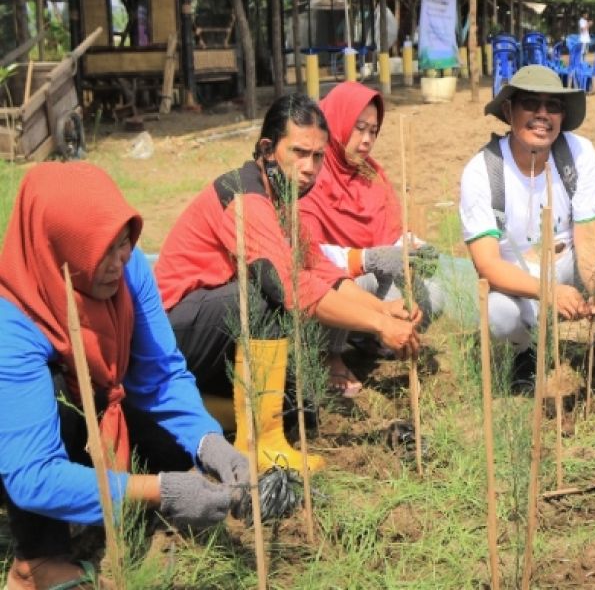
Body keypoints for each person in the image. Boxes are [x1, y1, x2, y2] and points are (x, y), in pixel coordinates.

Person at [0, 164, 249, 590]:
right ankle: (35, 562)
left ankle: (100, 493)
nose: (122, 260)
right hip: (20, 449)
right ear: (63, 249)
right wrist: (163, 492)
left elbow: (163, 373)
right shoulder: (11, 323)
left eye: (125, 243)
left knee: (178, 448)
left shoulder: (127, 266)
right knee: (60, 394)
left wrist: (211, 443)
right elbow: (32, 475)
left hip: (96, 408)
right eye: (105, 251)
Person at [155, 93, 422, 471]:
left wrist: (384, 308)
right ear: (267, 149)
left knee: (303, 403)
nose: (310, 166)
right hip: (172, 338)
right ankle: (260, 444)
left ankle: (198, 414)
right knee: (268, 294)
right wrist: (379, 325)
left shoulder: (281, 202)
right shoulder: (245, 197)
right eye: (299, 152)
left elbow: (320, 271)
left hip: (215, 332)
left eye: (316, 156)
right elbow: (289, 287)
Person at [459, 65, 595, 392]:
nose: (542, 115)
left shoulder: (577, 153)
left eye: (554, 106)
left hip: (570, 262)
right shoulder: (483, 171)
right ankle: (524, 351)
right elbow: (487, 265)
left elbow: (588, 237)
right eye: (531, 104)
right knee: (497, 312)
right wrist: (548, 292)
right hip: (520, 280)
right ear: (509, 110)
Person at [299, 82, 444, 397]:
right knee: (338, 282)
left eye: (373, 131)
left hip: (368, 281)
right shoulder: (311, 173)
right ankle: (328, 356)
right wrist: (366, 259)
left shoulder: (371, 174)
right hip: (327, 282)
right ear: (336, 122)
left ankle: (371, 339)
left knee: (430, 291)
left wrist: (413, 247)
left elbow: (391, 234)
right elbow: (309, 256)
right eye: (358, 128)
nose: (366, 140)